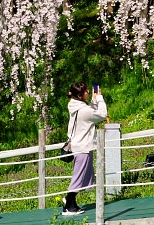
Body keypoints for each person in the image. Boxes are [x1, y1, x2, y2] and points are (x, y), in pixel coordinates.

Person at [60, 82, 107, 216]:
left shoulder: (75, 105)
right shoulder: (84, 110)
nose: (88, 92)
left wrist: (93, 100)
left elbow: (90, 112)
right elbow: (102, 114)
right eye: (86, 91)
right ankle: (68, 205)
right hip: (83, 148)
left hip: (78, 145)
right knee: (78, 177)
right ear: (80, 95)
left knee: (83, 176)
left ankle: (70, 201)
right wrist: (99, 98)